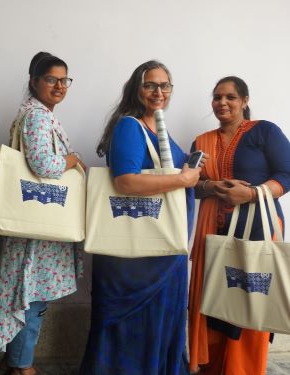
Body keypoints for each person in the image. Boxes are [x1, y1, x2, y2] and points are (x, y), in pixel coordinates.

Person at [79, 60, 200, 375]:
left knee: (158, 327)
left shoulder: (155, 125)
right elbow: (126, 182)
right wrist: (183, 180)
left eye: (164, 85)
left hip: (163, 251)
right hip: (137, 258)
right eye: (150, 85)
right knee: (133, 332)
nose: (158, 92)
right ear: (137, 88)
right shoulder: (130, 126)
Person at [0, 52, 84, 375]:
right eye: (51, 79)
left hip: (34, 222)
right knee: (32, 300)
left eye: (64, 80)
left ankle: (14, 361)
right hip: (35, 229)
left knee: (26, 296)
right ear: (34, 81)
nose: (59, 86)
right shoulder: (38, 117)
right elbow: (44, 165)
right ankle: (22, 366)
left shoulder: (35, 114)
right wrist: (71, 160)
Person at [188, 76, 290, 374]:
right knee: (217, 298)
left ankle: (242, 368)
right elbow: (193, 185)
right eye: (217, 97)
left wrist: (252, 193)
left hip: (258, 229)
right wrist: (212, 186)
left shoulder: (264, 132)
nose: (222, 103)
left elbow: (287, 174)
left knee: (250, 300)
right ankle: (213, 366)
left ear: (244, 101)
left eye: (230, 97)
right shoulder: (202, 141)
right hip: (214, 231)